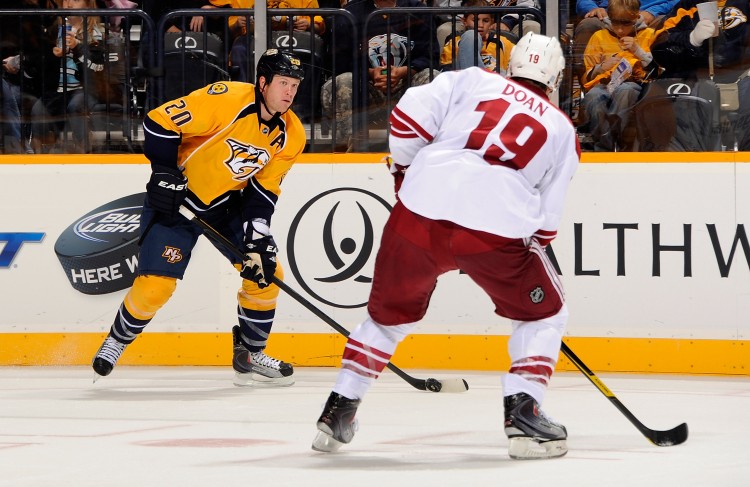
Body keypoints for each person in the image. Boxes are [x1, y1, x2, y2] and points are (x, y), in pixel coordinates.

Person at [312, 32, 580, 460]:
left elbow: (407, 118)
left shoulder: (472, 79)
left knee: (386, 318)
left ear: (512, 65)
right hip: (494, 229)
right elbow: (547, 223)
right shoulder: (562, 129)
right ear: (555, 78)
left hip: (420, 212)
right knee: (545, 314)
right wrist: (535, 248)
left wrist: (406, 171)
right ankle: (524, 413)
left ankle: (339, 410)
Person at [91, 49, 306, 387]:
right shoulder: (227, 99)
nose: (289, 92)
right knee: (155, 288)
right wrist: (164, 172)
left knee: (266, 271)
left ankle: (250, 353)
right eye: (283, 83)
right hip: (177, 202)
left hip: (224, 205)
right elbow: (158, 120)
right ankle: (117, 340)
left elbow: (263, 192)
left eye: (294, 85)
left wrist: (257, 237)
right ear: (262, 82)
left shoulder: (291, 135)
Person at [320, 0, 439, 151]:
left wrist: (404, 71)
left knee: (432, 77)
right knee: (343, 81)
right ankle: (351, 148)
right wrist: (369, 73)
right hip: (365, 87)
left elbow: (431, 57)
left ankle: (425, 149)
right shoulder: (349, 13)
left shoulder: (418, 10)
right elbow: (338, 62)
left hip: (406, 85)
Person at [649, 0, 750, 148]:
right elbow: (659, 47)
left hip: (741, 78)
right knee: (686, 96)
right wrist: (691, 39)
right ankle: (695, 164)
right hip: (696, 81)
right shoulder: (686, 7)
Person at [211, 0, 326, 123]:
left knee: (312, 51)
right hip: (252, 39)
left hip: (295, 41)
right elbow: (231, 31)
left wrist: (308, 25)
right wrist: (238, 25)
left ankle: (302, 111)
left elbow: (320, 26)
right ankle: (246, 105)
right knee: (239, 49)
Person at [29, 0, 106, 153]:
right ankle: (37, 157)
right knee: (38, 108)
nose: (69, 4)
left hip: (84, 88)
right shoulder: (53, 29)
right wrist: (53, 55)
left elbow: (97, 67)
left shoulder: (96, 32)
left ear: (88, 5)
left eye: (76, 0)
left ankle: (83, 151)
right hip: (57, 87)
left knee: (75, 106)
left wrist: (77, 47)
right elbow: (40, 61)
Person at [581, 0, 658, 150]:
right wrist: (601, 67)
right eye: (616, 23)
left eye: (626, 23)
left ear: (636, 17)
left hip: (637, 85)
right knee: (594, 95)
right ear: (609, 17)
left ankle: (623, 145)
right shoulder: (599, 36)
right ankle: (604, 147)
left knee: (626, 90)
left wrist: (638, 51)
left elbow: (657, 71)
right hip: (604, 85)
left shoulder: (649, 34)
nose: (621, 30)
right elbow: (586, 79)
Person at [440, 0, 516, 73]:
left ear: (491, 22)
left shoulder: (503, 42)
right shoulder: (454, 42)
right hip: (464, 82)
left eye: (485, 21)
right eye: (475, 20)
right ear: (464, 21)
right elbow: (446, 70)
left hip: (495, 82)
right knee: (471, 35)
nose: (480, 25)